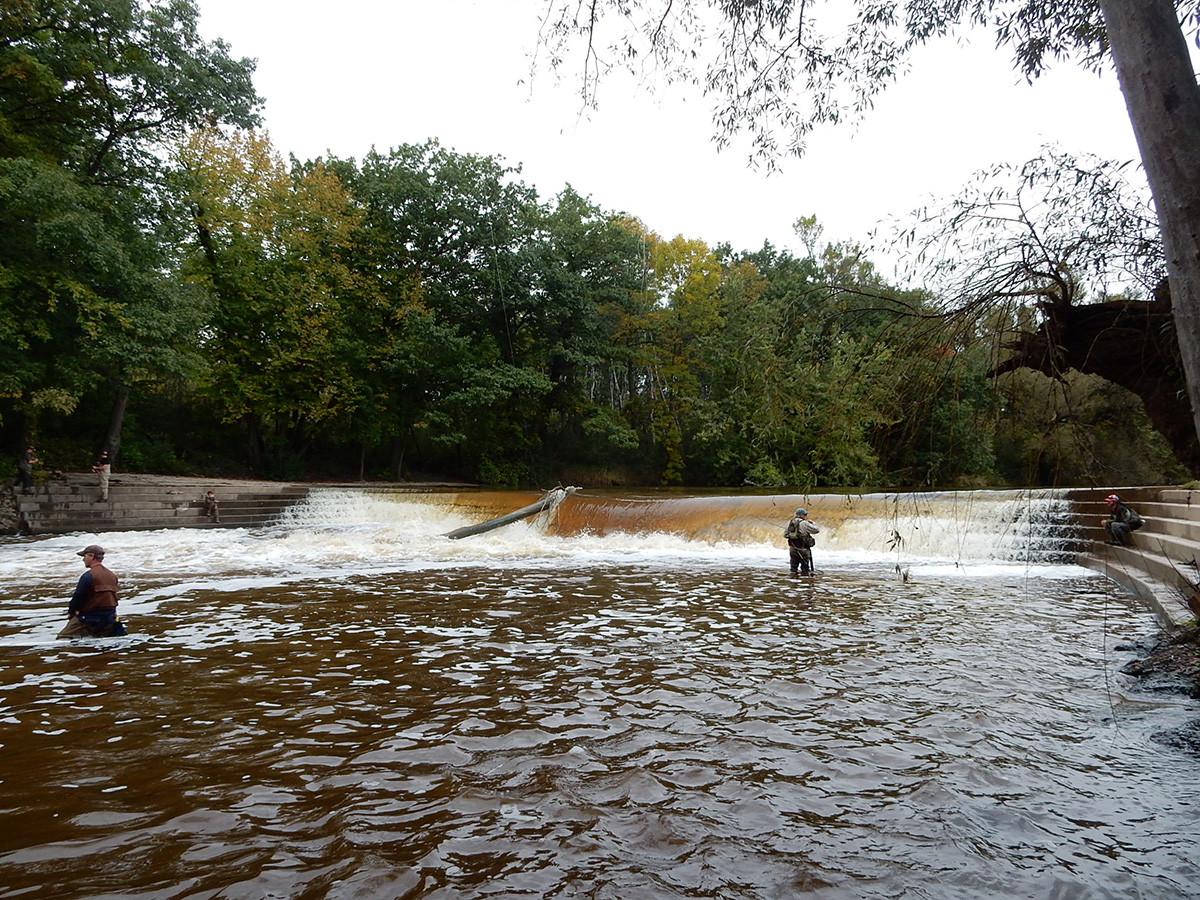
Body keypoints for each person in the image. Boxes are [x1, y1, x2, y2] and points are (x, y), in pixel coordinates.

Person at [57, 544, 126, 638]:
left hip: (89, 618)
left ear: (91, 556)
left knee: (62, 639)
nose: (83, 559)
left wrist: (71, 612)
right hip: (110, 618)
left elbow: (78, 596)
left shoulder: (88, 576)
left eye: (84, 556)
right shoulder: (112, 575)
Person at [784, 507, 821, 575]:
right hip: (803, 548)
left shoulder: (789, 522)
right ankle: (804, 583)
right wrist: (812, 523)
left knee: (793, 568)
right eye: (805, 514)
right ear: (801, 515)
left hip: (793, 548)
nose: (806, 516)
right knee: (805, 569)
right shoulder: (804, 523)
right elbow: (816, 530)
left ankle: (793, 582)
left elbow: (785, 535)